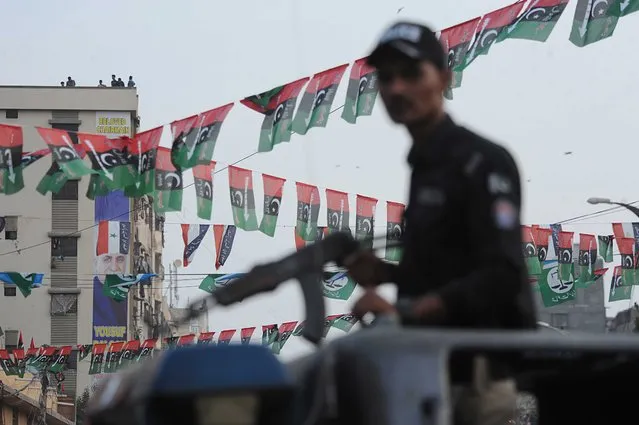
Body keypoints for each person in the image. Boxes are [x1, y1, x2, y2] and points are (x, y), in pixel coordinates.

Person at [344, 21, 537, 425]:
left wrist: (404, 313)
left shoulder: (481, 161)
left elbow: (500, 274)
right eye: (386, 77)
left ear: (444, 80)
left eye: (412, 74)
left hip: (475, 376)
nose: (396, 88)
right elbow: (448, 270)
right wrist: (388, 274)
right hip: (429, 370)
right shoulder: (424, 166)